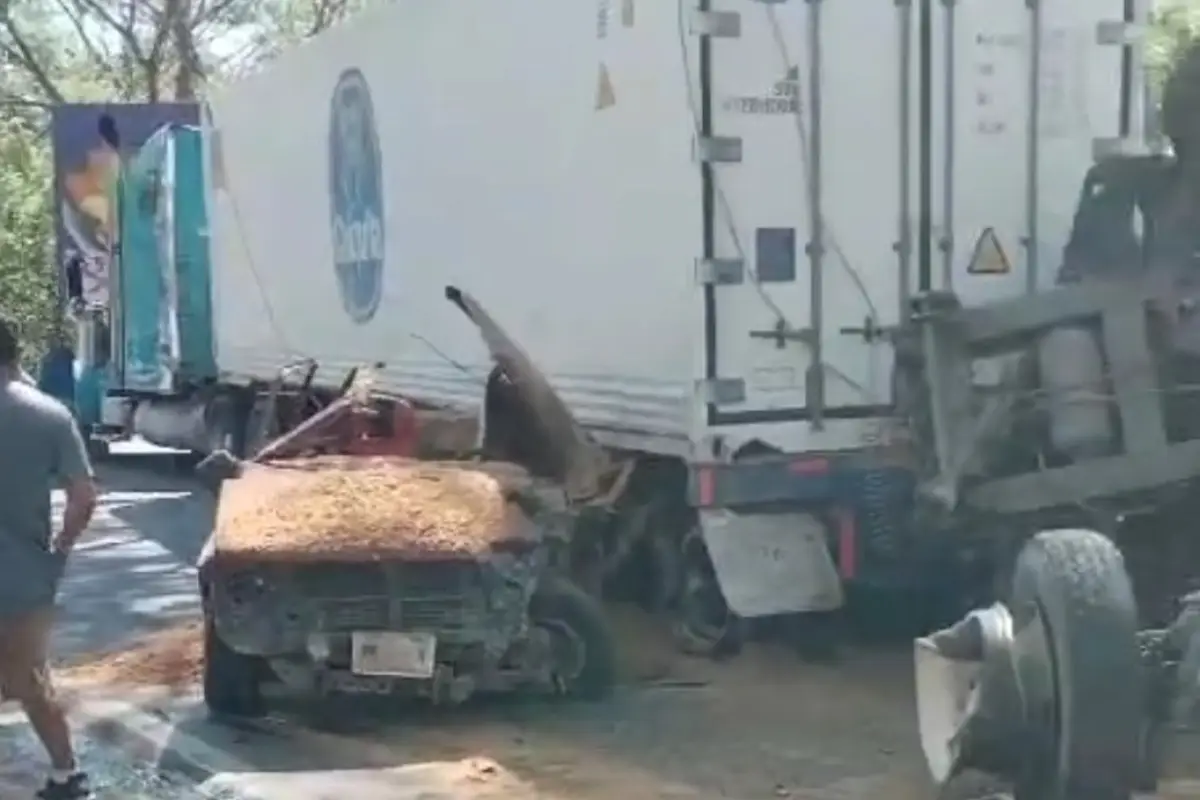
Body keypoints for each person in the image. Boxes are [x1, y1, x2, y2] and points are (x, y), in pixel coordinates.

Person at [0, 313, 97, 800]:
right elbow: (83, 495)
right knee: (32, 680)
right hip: (24, 579)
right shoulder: (49, 414)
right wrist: (60, 548)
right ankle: (66, 774)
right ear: (14, 354)